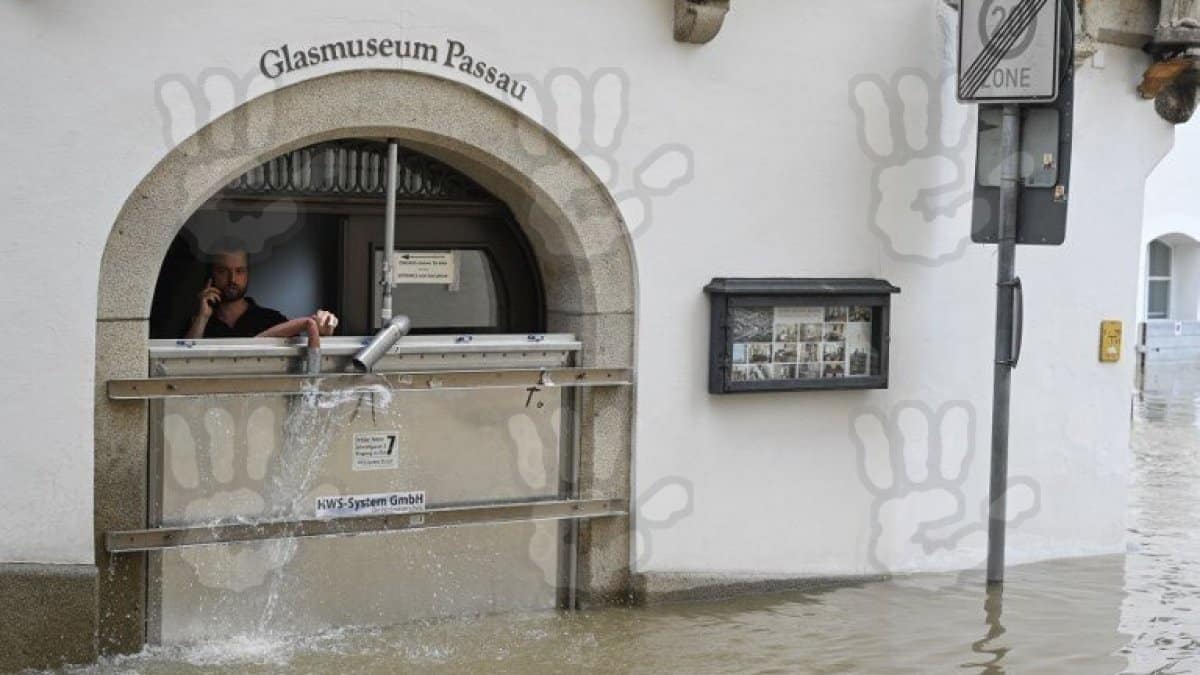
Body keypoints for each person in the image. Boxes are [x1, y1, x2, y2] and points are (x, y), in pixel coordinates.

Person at [184, 246, 338, 339]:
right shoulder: (199, 323)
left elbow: (304, 362)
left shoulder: (272, 319)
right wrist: (202, 318)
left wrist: (323, 334)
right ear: (211, 274)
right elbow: (182, 364)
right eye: (223, 271)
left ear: (248, 273)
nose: (233, 279)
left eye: (240, 271)